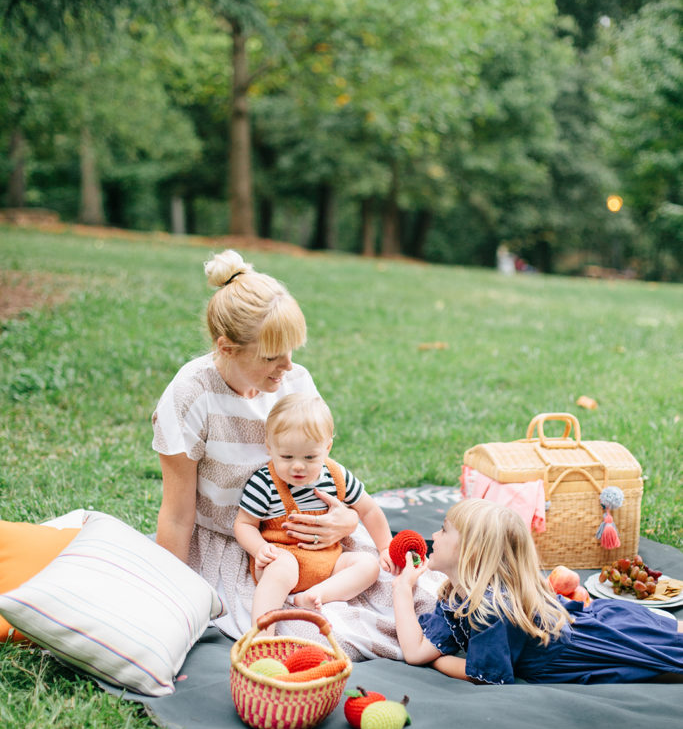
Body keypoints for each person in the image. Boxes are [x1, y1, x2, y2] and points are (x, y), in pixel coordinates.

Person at [152, 250, 359, 636]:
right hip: (234, 539)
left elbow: (316, 467)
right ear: (226, 347)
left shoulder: (293, 381)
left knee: (384, 602)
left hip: (302, 532)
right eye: (270, 357)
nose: (287, 366)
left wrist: (346, 520)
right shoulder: (191, 395)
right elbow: (177, 516)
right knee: (295, 630)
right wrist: (170, 597)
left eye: (290, 351)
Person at [392, 498, 683, 684]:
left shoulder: (490, 610)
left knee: (655, 647)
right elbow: (416, 652)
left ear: (471, 552)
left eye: (443, 530)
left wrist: (441, 660)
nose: (433, 536)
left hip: (575, 651)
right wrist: (402, 586)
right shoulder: (457, 593)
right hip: (566, 621)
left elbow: (483, 676)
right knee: (649, 629)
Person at [234, 393, 392, 622]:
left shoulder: (336, 476)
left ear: (327, 448)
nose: (298, 466)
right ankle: (262, 633)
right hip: (282, 558)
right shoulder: (265, 482)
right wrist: (259, 549)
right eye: (287, 456)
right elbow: (244, 524)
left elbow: (369, 510)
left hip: (327, 561)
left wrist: (386, 546)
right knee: (281, 568)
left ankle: (315, 595)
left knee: (368, 565)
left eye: (310, 457)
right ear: (270, 447)